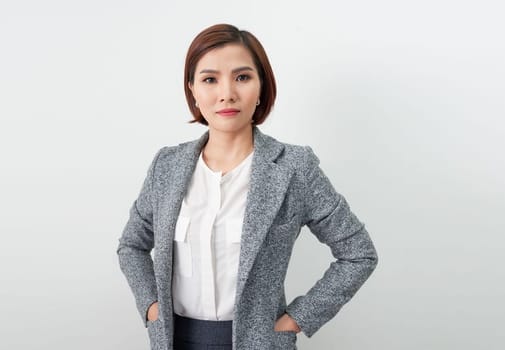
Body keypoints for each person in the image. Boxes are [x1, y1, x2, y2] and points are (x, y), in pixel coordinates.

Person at [116, 24, 379, 350]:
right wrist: (152, 308)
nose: (227, 93)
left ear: (261, 87)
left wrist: (297, 318)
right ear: (193, 91)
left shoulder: (295, 168)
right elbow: (131, 246)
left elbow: (358, 254)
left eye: (242, 77)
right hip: (175, 340)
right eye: (210, 79)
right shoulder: (166, 166)